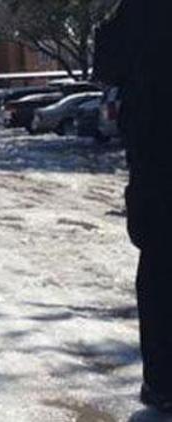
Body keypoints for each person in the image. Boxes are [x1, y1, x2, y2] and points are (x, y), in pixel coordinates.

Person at [94, 1, 172, 413]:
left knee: (159, 272)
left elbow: (106, 64)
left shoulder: (138, 12)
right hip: (155, 163)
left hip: (156, 165)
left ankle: (161, 383)